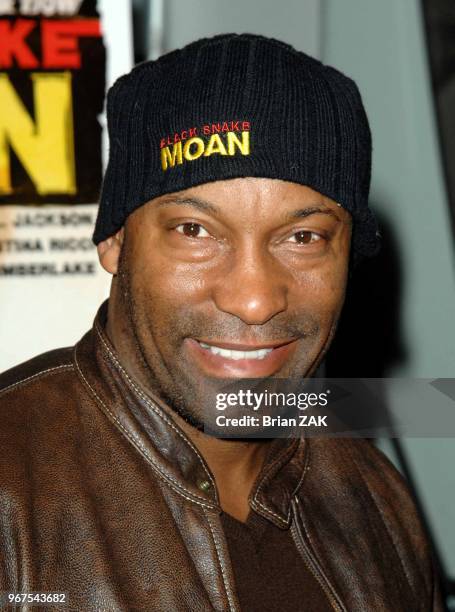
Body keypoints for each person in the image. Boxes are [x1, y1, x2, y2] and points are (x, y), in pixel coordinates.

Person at [0, 34, 444, 611]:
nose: (254, 300)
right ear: (115, 239)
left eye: (303, 237)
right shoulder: (13, 488)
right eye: (195, 231)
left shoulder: (376, 497)